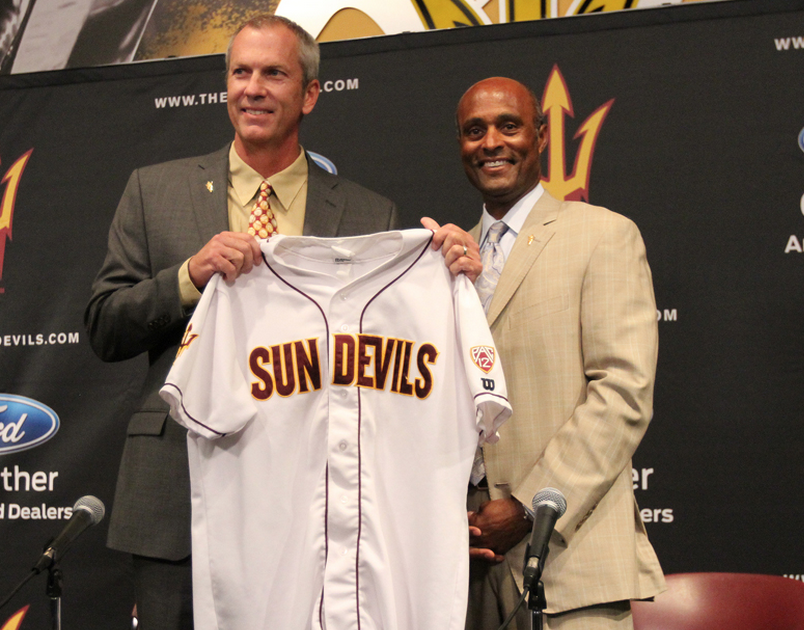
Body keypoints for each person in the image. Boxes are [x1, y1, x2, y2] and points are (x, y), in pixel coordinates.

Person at [85, 14, 478, 630]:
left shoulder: (368, 213)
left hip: (314, 505)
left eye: (274, 73)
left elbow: (392, 361)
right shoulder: (153, 191)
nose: (253, 88)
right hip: (177, 499)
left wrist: (447, 272)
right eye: (240, 72)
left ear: (310, 93)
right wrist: (189, 275)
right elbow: (104, 326)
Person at [457, 76, 665, 630]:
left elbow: (622, 393)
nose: (491, 142)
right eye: (475, 130)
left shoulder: (604, 235)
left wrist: (528, 507)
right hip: (460, 572)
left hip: (571, 565)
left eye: (509, 125)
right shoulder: (441, 262)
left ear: (541, 136)